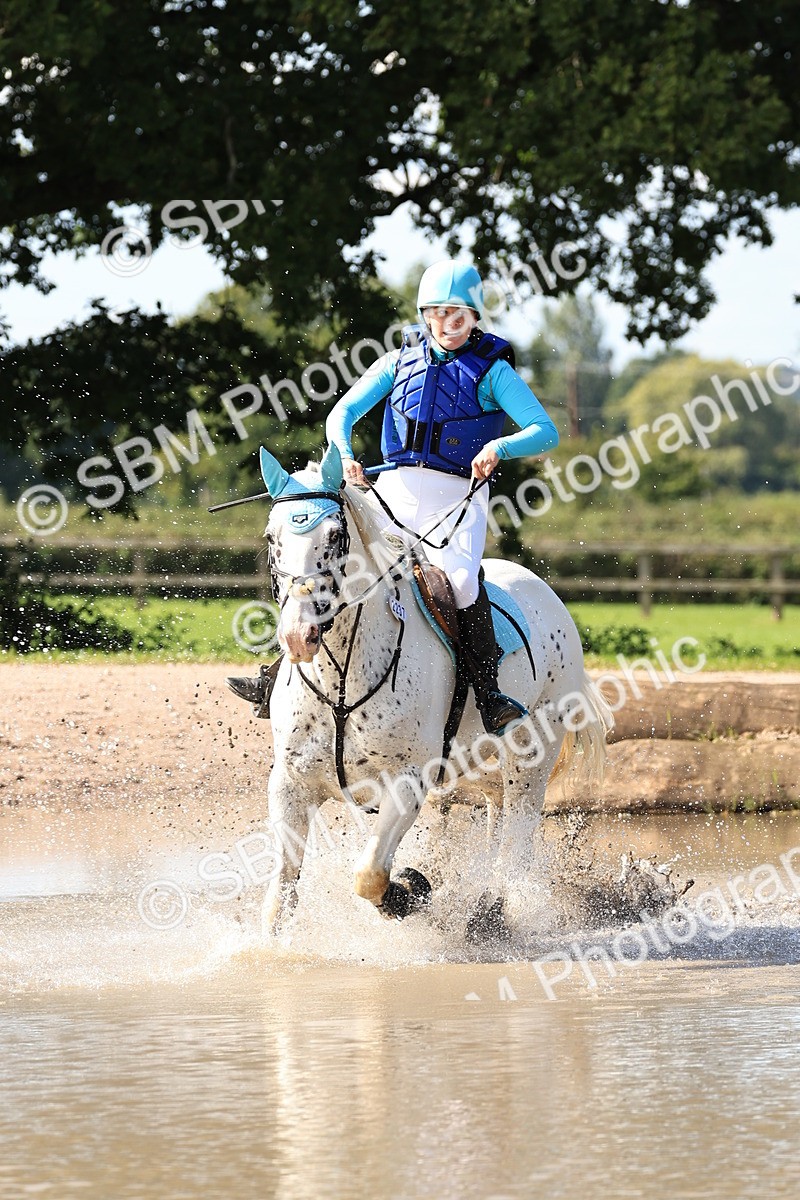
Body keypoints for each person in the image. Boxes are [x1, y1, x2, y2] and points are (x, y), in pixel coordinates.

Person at [228, 260, 559, 734]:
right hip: (391, 494)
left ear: (475, 318)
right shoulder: (397, 364)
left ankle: (488, 695)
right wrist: (343, 456)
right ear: (426, 316)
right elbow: (340, 416)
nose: (449, 323)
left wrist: (499, 446)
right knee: (335, 566)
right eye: (439, 313)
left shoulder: (494, 372)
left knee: (462, 585)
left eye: (459, 314)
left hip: (456, 501)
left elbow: (544, 432)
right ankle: (278, 674)